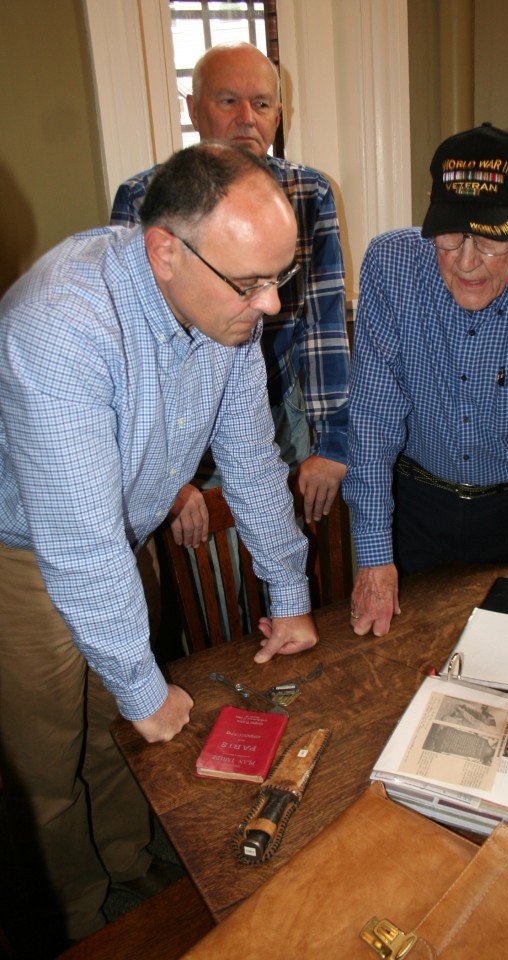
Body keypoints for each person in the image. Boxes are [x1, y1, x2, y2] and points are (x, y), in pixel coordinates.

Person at [0, 142, 318, 953]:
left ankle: (132, 871)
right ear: (164, 251)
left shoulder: (226, 311)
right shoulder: (60, 323)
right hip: (25, 558)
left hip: (120, 540)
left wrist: (289, 594)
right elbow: (74, 541)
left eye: (279, 276)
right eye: (251, 282)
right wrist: (143, 685)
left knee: (116, 744)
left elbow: (250, 458)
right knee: (46, 774)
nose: (272, 305)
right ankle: (76, 921)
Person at [342, 122, 508, 753]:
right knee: (391, 698)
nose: (466, 261)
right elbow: (375, 417)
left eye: (491, 240)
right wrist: (373, 551)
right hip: (415, 512)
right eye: (450, 235)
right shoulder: (390, 266)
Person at [111, 42, 350, 543]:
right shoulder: (143, 200)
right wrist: (162, 479)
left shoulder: (310, 194)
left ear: (279, 114)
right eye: (227, 102)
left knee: (288, 554)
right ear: (194, 110)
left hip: (282, 410)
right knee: (214, 593)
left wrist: (332, 442)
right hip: (186, 428)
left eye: (261, 104)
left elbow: (323, 326)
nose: (247, 118)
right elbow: (131, 346)